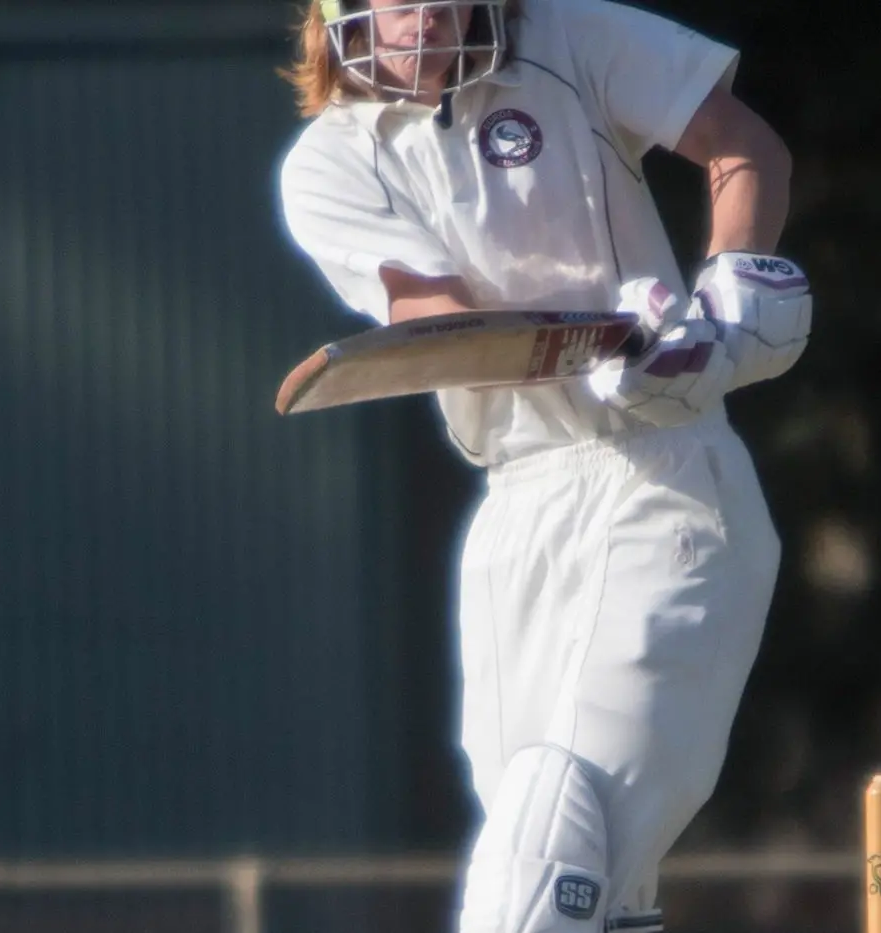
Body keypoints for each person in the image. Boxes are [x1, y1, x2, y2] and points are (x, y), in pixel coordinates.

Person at [276, 1, 813, 930]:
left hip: (664, 480)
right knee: (590, 884)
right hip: (518, 514)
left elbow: (747, 150)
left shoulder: (571, 35)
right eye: (405, 3)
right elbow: (440, 320)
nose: (433, 19)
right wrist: (603, 346)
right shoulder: (328, 165)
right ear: (338, 14)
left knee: (550, 845)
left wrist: (725, 298)